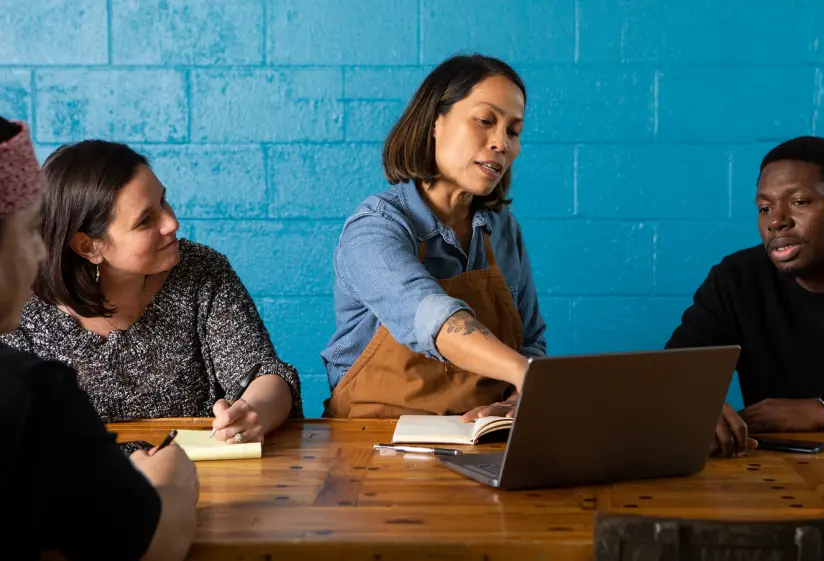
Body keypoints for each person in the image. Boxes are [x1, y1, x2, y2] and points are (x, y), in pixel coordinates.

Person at [0, 139, 301, 443]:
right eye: (146, 220)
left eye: (164, 201)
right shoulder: (18, 304)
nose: (172, 222)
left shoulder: (201, 270)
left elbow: (265, 374)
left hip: (200, 480)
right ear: (88, 246)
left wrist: (252, 413)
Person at [0, 116, 198, 560]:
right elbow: (153, 543)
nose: (37, 252)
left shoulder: (202, 271)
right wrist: (171, 478)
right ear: (88, 246)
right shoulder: (35, 394)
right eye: (28, 232)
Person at [321, 54, 547, 419]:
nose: (501, 143)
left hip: (480, 440)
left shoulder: (504, 229)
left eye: (513, 131)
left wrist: (516, 401)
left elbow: (531, 340)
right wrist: (527, 374)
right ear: (434, 123)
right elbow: (435, 319)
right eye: (485, 120)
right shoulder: (375, 229)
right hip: (372, 447)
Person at [667, 135, 824, 445]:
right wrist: (694, 405)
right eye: (764, 208)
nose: (777, 221)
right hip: (778, 472)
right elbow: (670, 373)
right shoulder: (736, 280)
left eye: (800, 202)